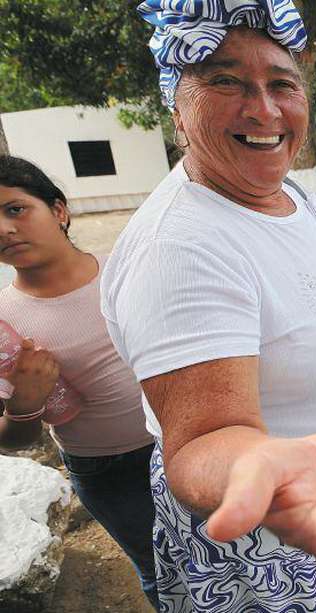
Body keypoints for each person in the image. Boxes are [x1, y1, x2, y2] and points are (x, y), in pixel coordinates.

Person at [102, 2, 316, 610]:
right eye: (224, 80)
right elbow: (201, 443)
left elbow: (305, 278)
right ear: (177, 110)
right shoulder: (180, 249)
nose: (264, 109)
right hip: (282, 523)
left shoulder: (283, 187)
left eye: (282, 84)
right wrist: (275, 469)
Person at [0, 155, 159, 609]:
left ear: (59, 210)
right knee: (159, 568)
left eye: (15, 209)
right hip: (110, 470)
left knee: (226, 550)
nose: (5, 228)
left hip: (186, 437)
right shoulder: (4, 322)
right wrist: (26, 403)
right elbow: (14, 439)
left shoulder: (129, 270)